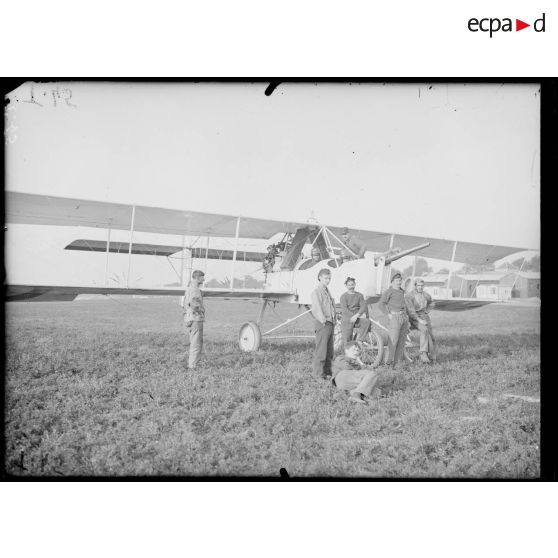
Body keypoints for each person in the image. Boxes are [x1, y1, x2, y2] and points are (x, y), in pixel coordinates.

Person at [378, 272, 413, 368]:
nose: (399, 282)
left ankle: (396, 363)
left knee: (401, 341)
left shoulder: (402, 291)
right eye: (397, 281)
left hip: (404, 318)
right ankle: (387, 362)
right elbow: (381, 304)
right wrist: (388, 314)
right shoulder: (389, 291)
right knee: (393, 340)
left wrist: (407, 319)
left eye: (400, 280)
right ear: (392, 282)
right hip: (394, 318)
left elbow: (405, 304)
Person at [310, 268, 336, 379]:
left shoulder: (327, 291)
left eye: (329, 278)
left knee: (329, 351)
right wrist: (323, 320)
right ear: (320, 277)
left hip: (330, 323)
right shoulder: (316, 292)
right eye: (326, 278)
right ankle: (318, 375)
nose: (328, 280)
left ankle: (327, 373)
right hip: (323, 324)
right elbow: (316, 308)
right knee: (321, 351)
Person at [405, 278, 436, 363]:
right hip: (413, 317)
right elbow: (411, 311)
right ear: (415, 285)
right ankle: (423, 353)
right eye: (418, 285)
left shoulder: (426, 295)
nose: (420, 287)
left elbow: (432, 302)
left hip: (424, 316)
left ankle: (433, 357)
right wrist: (419, 320)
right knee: (424, 330)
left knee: (431, 336)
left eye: (422, 285)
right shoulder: (409, 296)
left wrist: (427, 310)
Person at [182, 269, 205, 369]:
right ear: (196, 278)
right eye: (201, 277)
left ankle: (193, 364)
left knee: (194, 342)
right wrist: (201, 310)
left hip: (189, 318)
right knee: (196, 344)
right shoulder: (195, 290)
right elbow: (195, 305)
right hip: (196, 319)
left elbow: (183, 304)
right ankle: (192, 366)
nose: (203, 279)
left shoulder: (188, 289)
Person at [339, 277, 371, 346]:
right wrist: (354, 316)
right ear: (346, 286)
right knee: (347, 341)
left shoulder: (359, 295)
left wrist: (357, 315)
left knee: (366, 322)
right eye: (349, 285)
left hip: (356, 318)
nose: (351, 287)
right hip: (347, 319)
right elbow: (345, 310)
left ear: (355, 285)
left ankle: (360, 340)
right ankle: (347, 353)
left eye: (352, 285)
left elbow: (363, 306)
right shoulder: (343, 297)